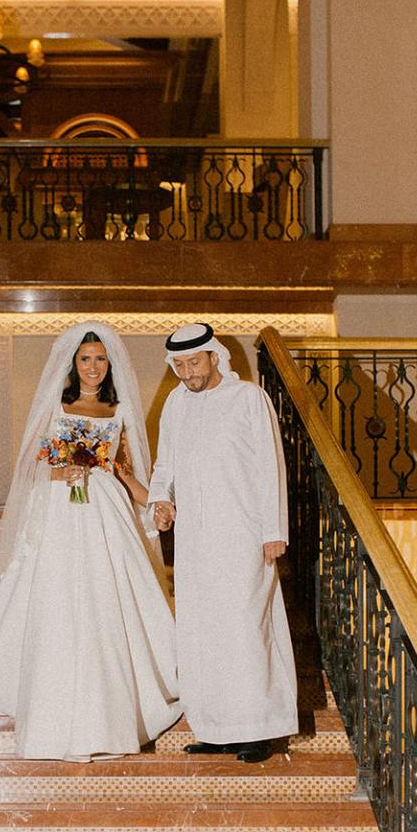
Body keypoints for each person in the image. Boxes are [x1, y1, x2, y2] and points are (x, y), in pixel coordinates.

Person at [0, 323, 181, 760]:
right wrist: (64, 472)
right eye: (85, 359)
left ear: (109, 365)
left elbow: (124, 471)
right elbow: (33, 467)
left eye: (100, 359)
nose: (93, 367)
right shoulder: (57, 406)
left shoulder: (119, 412)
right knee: (60, 602)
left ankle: (110, 717)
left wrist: (158, 502)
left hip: (107, 511)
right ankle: (52, 714)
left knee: (106, 601)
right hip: (62, 509)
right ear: (73, 366)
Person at [148, 321, 298, 763]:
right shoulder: (176, 402)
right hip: (195, 540)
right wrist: (161, 500)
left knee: (245, 628)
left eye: (195, 362)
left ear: (215, 356)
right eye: (179, 365)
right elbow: (165, 463)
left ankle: (257, 730)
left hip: (244, 534)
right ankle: (214, 728)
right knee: (201, 630)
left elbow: (271, 466)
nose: (188, 372)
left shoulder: (249, 397)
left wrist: (273, 530)